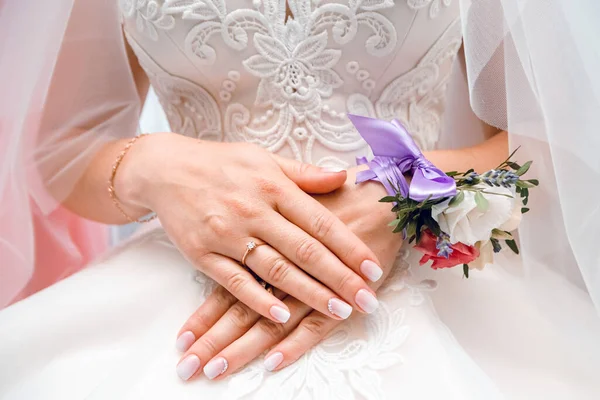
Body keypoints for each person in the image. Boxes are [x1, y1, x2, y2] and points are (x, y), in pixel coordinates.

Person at [1, 0, 599, 399]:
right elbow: (63, 144)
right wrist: (155, 168)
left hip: (435, 283)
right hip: (181, 282)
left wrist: (407, 190)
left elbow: (557, 138)